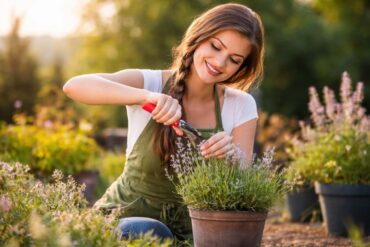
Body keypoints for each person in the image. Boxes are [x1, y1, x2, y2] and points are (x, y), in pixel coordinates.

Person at [63, 2, 264, 242]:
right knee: (149, 233)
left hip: (194, 236)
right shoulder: (151, 83)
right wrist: (146, 97)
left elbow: (244, 182)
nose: (220, 62)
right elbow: (74, 86)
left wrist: (231, 156)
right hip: (124, 226)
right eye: (215, 46)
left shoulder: (241, 105)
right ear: (199, 37)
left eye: (234, 59)